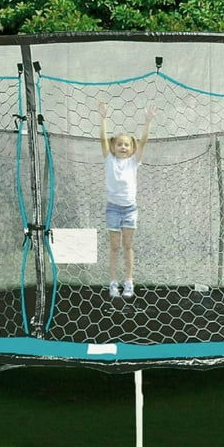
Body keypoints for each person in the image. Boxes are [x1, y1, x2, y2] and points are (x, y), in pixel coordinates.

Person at [98, 100, 156, 298]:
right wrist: (103, 118)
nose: (123, 147)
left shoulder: (133, 162)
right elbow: (102, 140)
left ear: (132, 148)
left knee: (128, 246)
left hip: (130, 209)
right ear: (113, 147)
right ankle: (113, 282)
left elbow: (144, 141)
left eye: (126, 144)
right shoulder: (109, 160)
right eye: (119, 144)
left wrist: (148, 121)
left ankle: (129, 281)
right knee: (114, 246)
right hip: (113, 208)